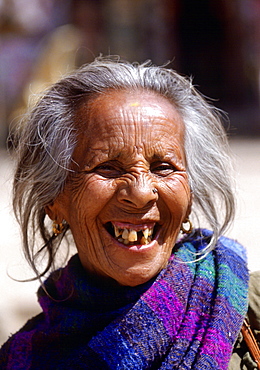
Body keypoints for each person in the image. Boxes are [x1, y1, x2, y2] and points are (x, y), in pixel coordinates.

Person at [0, 57, 249, 369]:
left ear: (189, 197)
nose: (141, 193)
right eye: (107, 167)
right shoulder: (24, 360)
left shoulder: (246, 311)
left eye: (163, 167)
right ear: (54, 201)